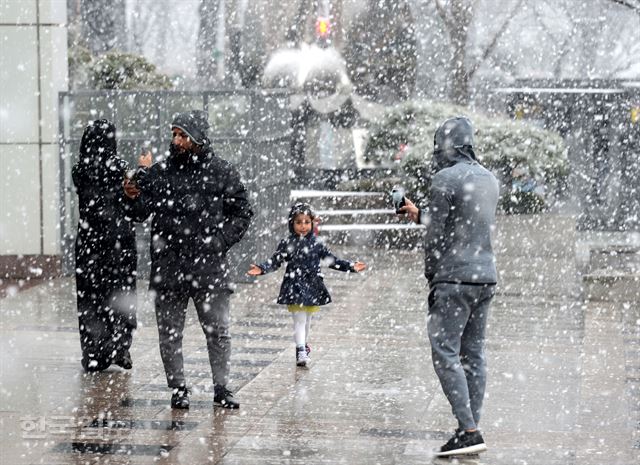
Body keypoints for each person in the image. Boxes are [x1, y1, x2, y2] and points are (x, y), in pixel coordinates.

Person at [124, 110, 253, 410]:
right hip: (169, 267)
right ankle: (178, 388)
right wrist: (130, 195)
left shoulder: (222, 172)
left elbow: (242, 212)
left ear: (198, 138)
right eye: (174, 134)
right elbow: (139, 213)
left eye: (182, 135)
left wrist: (219, 241)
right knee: (170, 334)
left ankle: (221, 388)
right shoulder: (161, 173)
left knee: (218, 332)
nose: (176, 140)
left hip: (209, 269)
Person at [399, 116, 499, 457]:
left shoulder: (444, 179)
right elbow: (464, 221)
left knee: (445, 352)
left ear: (445, 147)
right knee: (474, 354)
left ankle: (469, 429)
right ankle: (470, 427)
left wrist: (432, 276)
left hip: (453, 278)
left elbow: (437, 238)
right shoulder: (489, 179)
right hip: (485, 276)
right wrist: (419, 213)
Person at [247, 203, 366, 366]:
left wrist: (350, 266)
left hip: (312, 285)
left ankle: (303, 346)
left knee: (307, 320)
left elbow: (332, 260)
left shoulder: (317, 243)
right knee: (300, 320)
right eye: (298, 222)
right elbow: (276, 261)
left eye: (306, 222)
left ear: (312, 223)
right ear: (292, 224)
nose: (303, 226)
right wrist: (262, 268)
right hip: (294, 285)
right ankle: (301, 350)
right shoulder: (288, 242)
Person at [73, 119, 149, 372]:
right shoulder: (120, 171)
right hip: (119, 245)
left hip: (89, 246)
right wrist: (139, 173)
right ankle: (119, 347)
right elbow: (135, 210)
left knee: (90, 300)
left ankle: (94, 352)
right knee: (120, 295)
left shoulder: (81, 172)